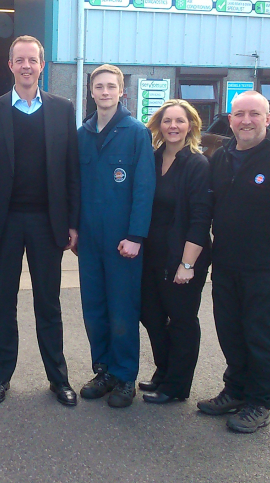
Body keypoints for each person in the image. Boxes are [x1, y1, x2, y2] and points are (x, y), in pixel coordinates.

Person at [0, 35, 81, 406]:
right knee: (3, 302)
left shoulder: (62, 109)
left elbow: (71, 171)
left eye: (33, 60)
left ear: (42, 65)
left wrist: (72, 222)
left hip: (47, 224)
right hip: (5, 224)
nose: (26, 66)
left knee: (48, 303)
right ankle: (0, 377)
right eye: (20, 60)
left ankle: (58, 379)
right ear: (10, 65)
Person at [198, 90, 270, 432]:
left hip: (265, 268)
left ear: (267, 119)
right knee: (230, 331)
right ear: (231, 120)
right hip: (226, 264)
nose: (246, 120)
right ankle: (235, 390)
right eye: (239, 114)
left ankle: (259, 402)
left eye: (254, 114)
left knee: (260, 335)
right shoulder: (221, 157)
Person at [75, 65, 155, 408]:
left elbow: (144, 188)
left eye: (111, 86)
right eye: (99, 86)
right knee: (94, 307)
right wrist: (74, 228)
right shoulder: (83, 133)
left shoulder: (136, 133)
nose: (104, 92)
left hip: (123, 240)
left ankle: (125, 377)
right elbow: (75, 186)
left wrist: (136, 235)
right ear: (91, 92)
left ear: (122, 92)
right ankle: (104, 369)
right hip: (90, 239)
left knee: (122, 309)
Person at [138, 99, 212, 405]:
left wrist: (187, 264)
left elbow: (200, 218)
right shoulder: (152, 159)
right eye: (167, 121)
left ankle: (177, 386)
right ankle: (163, 370)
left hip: (183, 257)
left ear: (191, 126)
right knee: (151, 315)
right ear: (158, 125)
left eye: (179, 121)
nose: (173, 126)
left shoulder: (197, 164)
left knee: (181, 320)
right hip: (151, 255)